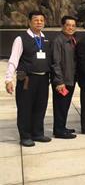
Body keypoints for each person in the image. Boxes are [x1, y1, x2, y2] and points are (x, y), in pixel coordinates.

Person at [4, 11, 52, 147]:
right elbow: (13, 59)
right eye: (36, 20)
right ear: (29, 22)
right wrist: (8, 79)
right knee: (25, 108)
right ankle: (25, 136)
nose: (39, 22)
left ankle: (37, 133)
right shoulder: (21, 39)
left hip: (43, 79)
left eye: (41, 20)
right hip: (27, 79)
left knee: (40, 106)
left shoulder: (45, 39)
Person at [50, 15, 78, 139]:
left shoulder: (72, 40)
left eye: (73, 25)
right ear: (63, 26)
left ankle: (62, 127)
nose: (71, 28)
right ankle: (59, 131)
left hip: (70, 79)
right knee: (60, 106)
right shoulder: (58, 41)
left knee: (65, 105)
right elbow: (55, 63)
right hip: (62, 81)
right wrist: (59, 81)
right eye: (68, 25)